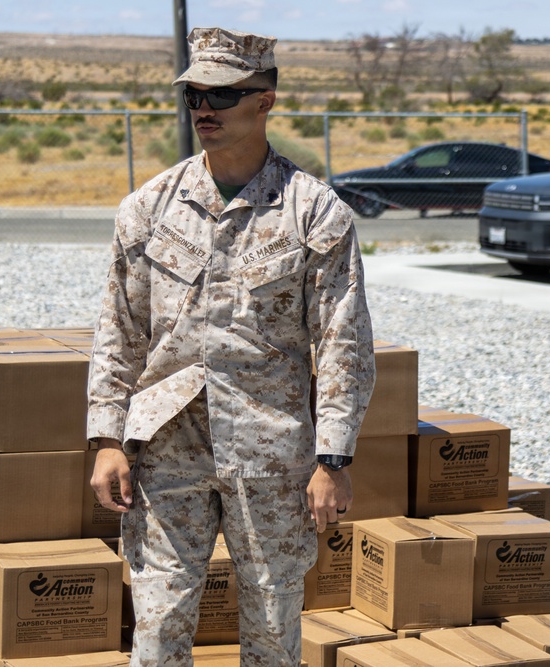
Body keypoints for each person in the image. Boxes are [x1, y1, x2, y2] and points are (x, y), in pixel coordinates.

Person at [86, 27, 376, 667]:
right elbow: (120, 330)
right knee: (158, 625)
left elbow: (342, 342)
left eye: (222, 95)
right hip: (167, 446)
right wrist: (107, 438)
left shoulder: (314, 212)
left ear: (265, 99)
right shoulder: (148, 207)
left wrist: (334, 456)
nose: (204, 111)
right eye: (194, 96)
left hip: (271, 453)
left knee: (273, 625)